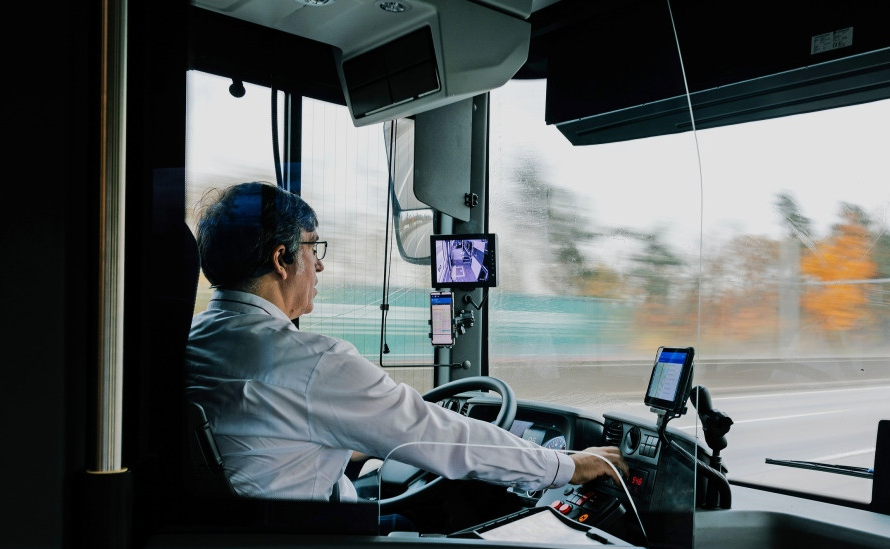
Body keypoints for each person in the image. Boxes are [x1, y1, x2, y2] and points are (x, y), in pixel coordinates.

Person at [185, 182, 627, 530]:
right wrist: (569, 465)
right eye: (312, 248)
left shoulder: (193, 343)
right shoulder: (312, 362)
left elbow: (264, 437)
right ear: (282, 259)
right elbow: (446, 438)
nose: (318, 266)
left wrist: (347, 444)